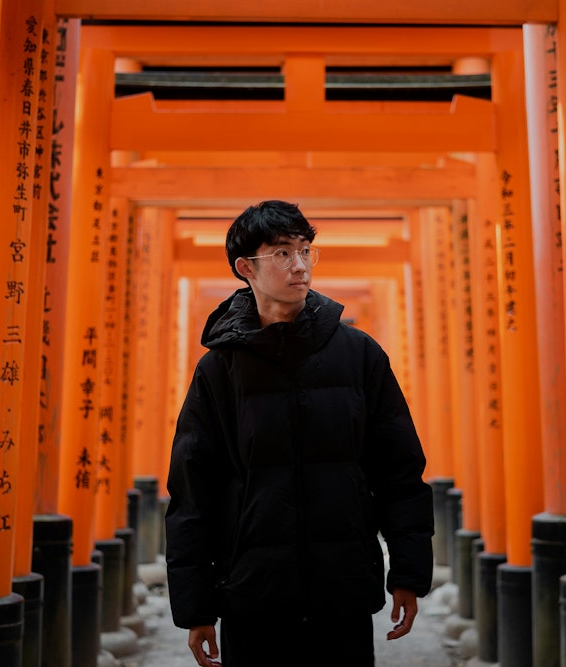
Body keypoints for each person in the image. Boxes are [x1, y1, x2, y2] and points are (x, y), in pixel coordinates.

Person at [165, 200, 434, 667]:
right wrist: (196, 607)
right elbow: (193, 492)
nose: (300, 265)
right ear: (245, 267)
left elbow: (399, 469)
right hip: (252, 593)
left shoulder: (359, 354)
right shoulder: (219, 371)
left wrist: (408, 572)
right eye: (283, 253)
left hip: (341, 589)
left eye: (306, 251)